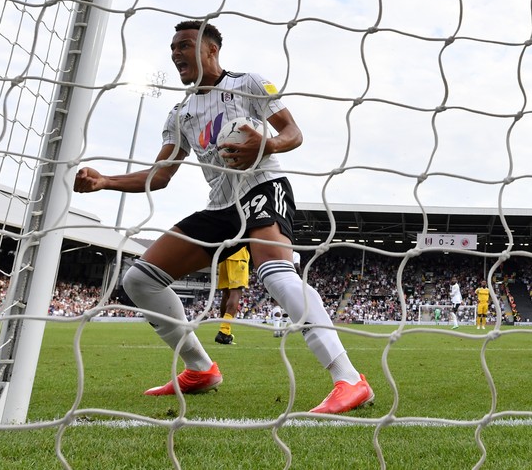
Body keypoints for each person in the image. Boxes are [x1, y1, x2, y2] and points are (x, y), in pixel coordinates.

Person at [74, 20, 373, 414]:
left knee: (276, 275)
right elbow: (160, 176)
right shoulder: (180, 113)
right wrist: (105, 181)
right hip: (221, 205)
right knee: (139, 280)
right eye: (173, 48)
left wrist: (264, 145)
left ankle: (349, 378)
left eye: (184, 45)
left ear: (211, 50)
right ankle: (200, 368)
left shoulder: (248, 82)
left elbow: (293, 133)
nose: (176, 54)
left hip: (263, 186)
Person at [213, 246, 250, 345]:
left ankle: (225, 330)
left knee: (226, 294)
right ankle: (224, 332)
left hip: (224, 256)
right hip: (238, 255)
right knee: (236, 292)